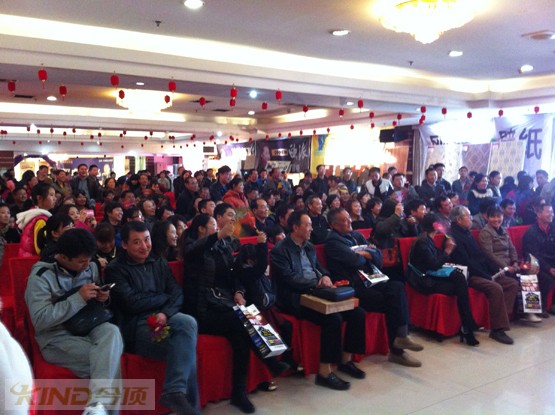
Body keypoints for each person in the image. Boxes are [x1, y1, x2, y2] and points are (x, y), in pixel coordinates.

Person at [180, 208, 288, 413]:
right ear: (202, 229)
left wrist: (238, 291)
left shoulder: (222, 246)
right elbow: (195, 250)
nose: (216, 228)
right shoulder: (193, 248)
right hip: (203, 309)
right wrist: (218, 235)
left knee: (241, 336)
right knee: (244, 317)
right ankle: (271, 360)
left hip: (223, 304)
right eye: (213, 225)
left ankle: (239, 393)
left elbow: (234, 274)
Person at [25, 228, 123, 415]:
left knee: (112, 331)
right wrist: (78, 298)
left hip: (89, 324)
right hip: (57, 336)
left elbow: (96, 299)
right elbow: (40, 320)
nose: (87, 265)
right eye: (81, 261)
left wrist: (102, 297)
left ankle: (96, 408)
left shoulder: (91, 266)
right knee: (108, 358)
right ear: (63, 257)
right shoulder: (41, 277)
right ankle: (99, 408)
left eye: (89, 259)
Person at [105, 221, 199, 415]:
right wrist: (163, 298)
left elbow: (176, 292)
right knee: (186, 352)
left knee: (188, 323)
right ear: (124, 245)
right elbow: (131, 303)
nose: (144, 246)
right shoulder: (115, 269)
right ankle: (189, 407)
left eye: (147, 240)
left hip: (164, 316)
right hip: (137, 327)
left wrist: (165, 313)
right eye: (137, 242)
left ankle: (174, 393)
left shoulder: (158, 261)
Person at [271, 210, 367, 391]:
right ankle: (324, 372)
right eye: (307, 225)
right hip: (296, 297)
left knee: (358, 313)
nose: (311, 228)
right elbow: (289, 279)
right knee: (333, 318)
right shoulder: (280, 250)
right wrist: (316, 283)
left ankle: (346, 360)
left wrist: (325, 276)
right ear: (295, 228)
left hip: (317, 291)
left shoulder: (309, 246)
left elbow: (320, 268)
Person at [325, 208, 423, 367]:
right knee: (391, 302)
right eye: (344, 220)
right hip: (353, 287)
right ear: (334, 225)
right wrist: (366, 253)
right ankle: (397, 351)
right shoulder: (333, 242)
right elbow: (355, 261)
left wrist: (365, 253)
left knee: (397, 287)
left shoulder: (356, 235)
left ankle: (402, 336)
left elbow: (378, 256)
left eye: (349, 217)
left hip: (371, 281)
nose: (349, 221)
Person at [450, 206, 519, 344]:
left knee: (512, 284)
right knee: (495, 288)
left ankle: (501, 319)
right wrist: (487, 276)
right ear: (459, 220)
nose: (471, 219)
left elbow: (481, 257)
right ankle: (497, 330)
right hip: (469, 275)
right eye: (468, 216)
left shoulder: (466, 232)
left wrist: (494, 272)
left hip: (482, 271)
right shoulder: (454, 236)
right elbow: (466, 262)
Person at [407, 213, 478, 345]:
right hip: (422, 280)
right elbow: (434, 265)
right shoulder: (422, 242)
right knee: (460, 285)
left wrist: (445, 251)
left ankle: (467, 324)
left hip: (430, 274)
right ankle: (467, 325)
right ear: (435, 225)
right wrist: (447, 251)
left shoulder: (427, 239)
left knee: (459, 278)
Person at [522, 203, 555, 315]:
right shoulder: (531, 233)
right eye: (548, 212)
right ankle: (540, 308)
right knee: (547, 278)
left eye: (552, 212)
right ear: (539, 214)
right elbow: (534, 255)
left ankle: (553, 305)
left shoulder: (552, 229)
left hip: (550, 261)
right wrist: (549, 268)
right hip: (535, 263)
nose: (551, 214)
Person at [17, 182, 56, 257]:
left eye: (54, 195)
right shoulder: (41, 220)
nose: (55, 198)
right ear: (39, 198)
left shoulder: (33, 214)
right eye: (51, 195)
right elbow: (40, 248)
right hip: (33, 260)